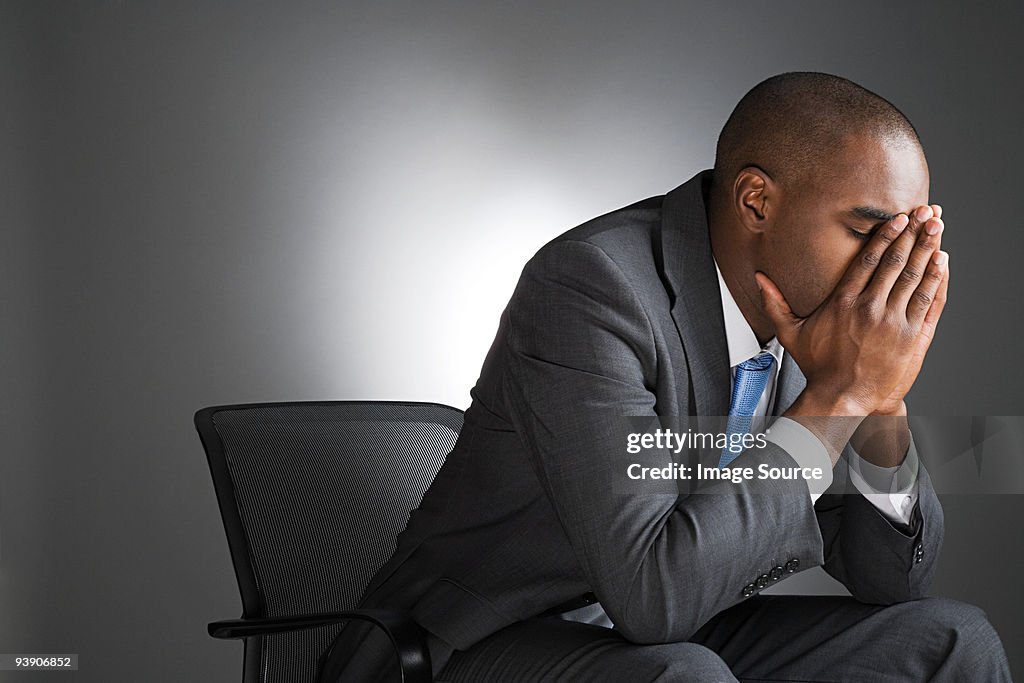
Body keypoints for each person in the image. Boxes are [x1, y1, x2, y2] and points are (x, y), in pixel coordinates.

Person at [319, 72, 1012, 681]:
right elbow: (655, 596)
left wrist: (880, 399)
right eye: (868, 233)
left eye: (907, 242)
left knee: (950, 640)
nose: (887, 273)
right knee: (682, 673)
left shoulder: (827, 327)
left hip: (664, 631)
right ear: (756, 201)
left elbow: (893, 579)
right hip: (469, 643)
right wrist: (842, 395)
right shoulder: (594, 288)